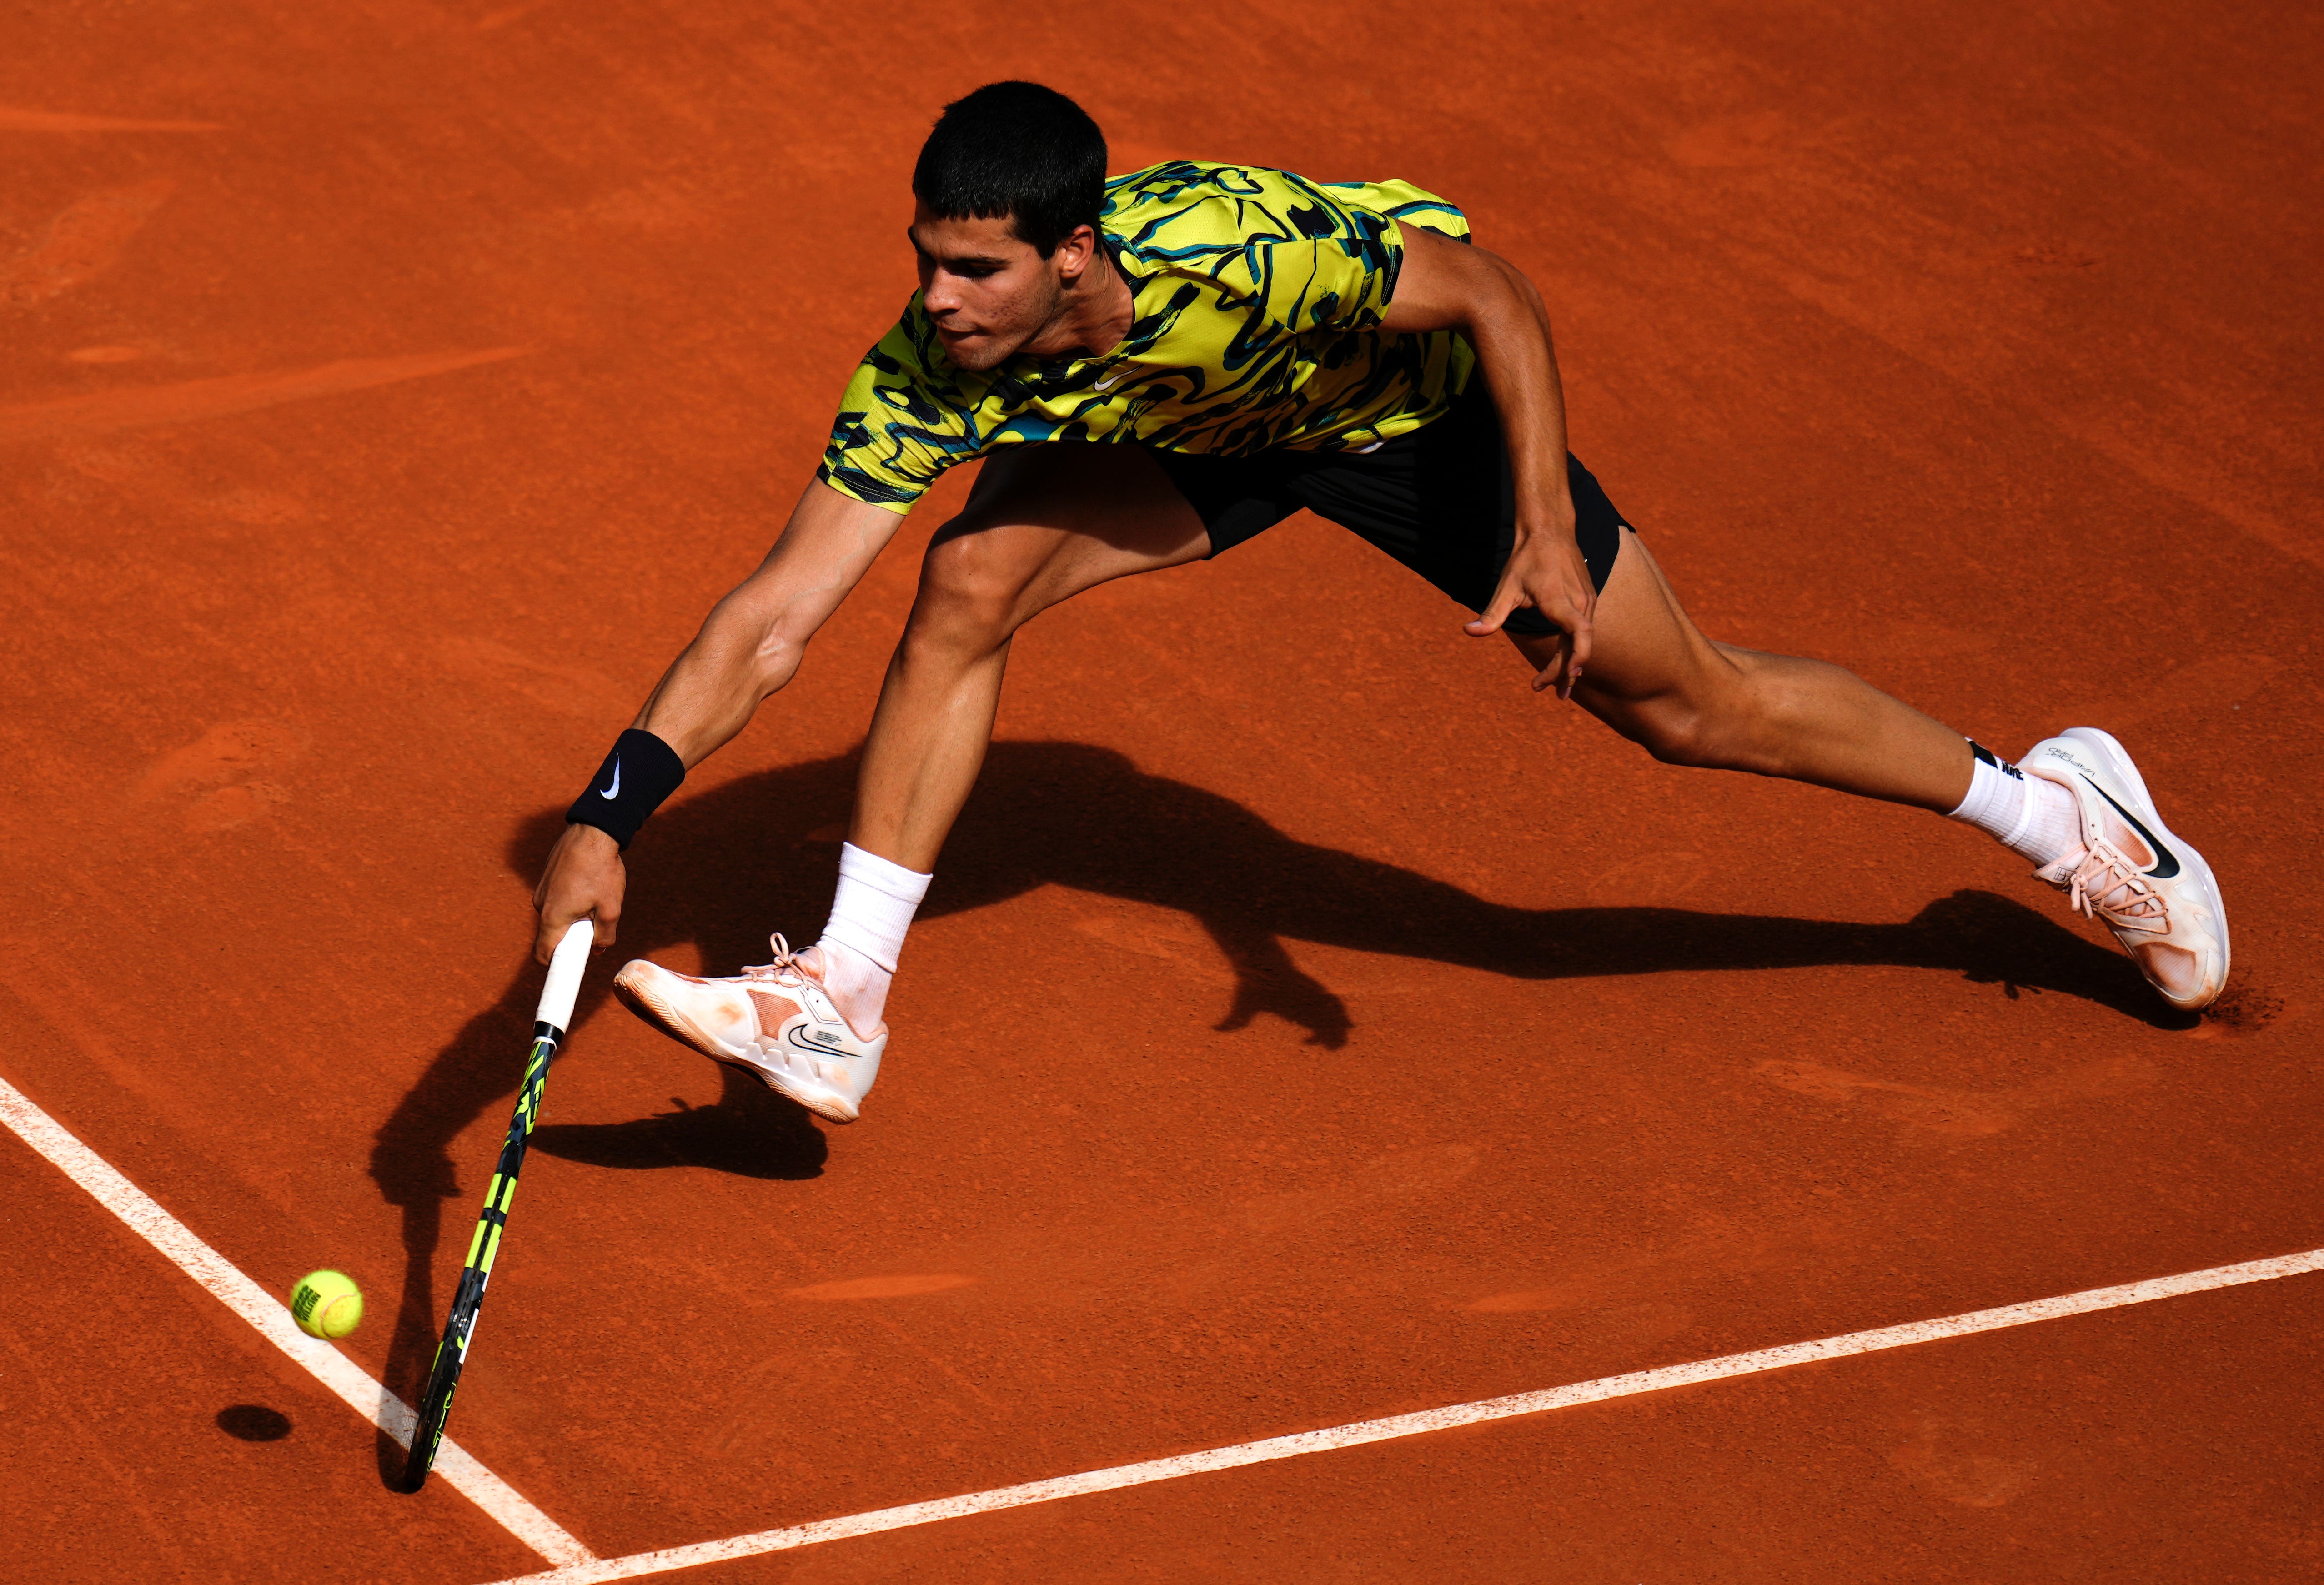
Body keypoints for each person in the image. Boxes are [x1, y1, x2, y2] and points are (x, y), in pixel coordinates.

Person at [532, 81, 2228, 1125]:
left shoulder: (1242, 252)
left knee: (1689, 708)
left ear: (1071, 254)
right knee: (966, 571)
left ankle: (2061, 813)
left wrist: (1547, 531)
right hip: (1215, 445)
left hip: (1405, 418)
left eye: (972, 268)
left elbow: (1492, 293)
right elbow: (775, 616)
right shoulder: (927, 370)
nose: (934, 295)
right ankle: (845, 994)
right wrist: (618, 807)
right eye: (925, 257)